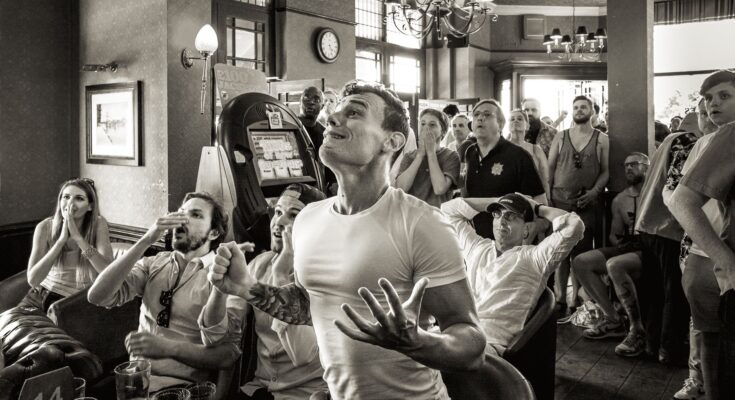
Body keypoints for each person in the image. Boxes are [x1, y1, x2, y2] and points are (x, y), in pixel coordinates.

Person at [207, 80, 486, 400]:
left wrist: (417, 342)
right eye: (335, 111)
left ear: (392, 140)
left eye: (354, 112)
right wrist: (248, 288)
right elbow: (310, 302)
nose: (332, 118)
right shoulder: (308, 219)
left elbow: (472, 345)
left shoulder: (421, 224)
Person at [87, 192, 242, 391]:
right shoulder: (154, 263)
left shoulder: (224, 277)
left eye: (195, 215)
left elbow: (228, 355)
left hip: (181, 388)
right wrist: (146, 240)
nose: (182, 220)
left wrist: (169, 348)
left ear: (213, 233)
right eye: (180, 213)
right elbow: (97, 296)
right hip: (135, 379)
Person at [201, 184, 328, 400]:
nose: (278, 221)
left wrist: (281, 276)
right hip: (259, 389)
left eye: (293, 215)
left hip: (305, 394)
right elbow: (215, 338)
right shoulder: (259, 265)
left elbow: (303, 354)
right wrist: (219, 288)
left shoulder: (323, 276)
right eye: (277, 212)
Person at [440, 193, 583, 356]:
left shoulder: (534, 257)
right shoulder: (478, 248)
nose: (502, 221)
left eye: (511, 216)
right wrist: (498, 200)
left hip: (489, 345)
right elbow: (447, 210)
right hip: (458, 333)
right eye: (497, 214)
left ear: (526, 230)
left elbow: (574, 225)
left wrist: (537, 208)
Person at [670, 69, 735, 400]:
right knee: (709, 333)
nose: (713, 104)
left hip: (715, 249)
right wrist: (722, 257)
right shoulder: (715, 140)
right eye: (709, 98)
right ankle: (703, 385)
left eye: (724, 96)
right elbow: (678, 198)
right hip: (708, 250)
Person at [662, 100, 719, 400]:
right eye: (702, 112)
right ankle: (697, 379)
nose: (707, 116)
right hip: (697, 244)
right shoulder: (692, 149)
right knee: (700, 317)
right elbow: (671, 193)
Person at [572, 153, 650, 357]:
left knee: (615, 265)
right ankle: (613, 319)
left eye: (634, 164)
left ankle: (637, 329)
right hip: (629, 247)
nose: (629, 168)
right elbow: (614, 236)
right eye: (626, 165)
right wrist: (623, 245)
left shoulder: (656, 195)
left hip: (651, 249)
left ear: (647, 167)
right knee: (581, 262)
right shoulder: (620, 200)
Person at [548, 95, 610, 319]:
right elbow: (550, 167)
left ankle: (576, 299)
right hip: (560, 200)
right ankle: (559, 298)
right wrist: (548, 197)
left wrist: (594, 193)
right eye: (576, 107)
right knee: (560, 251)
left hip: (586, 201)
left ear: (592, 111)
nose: (579, 110)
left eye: (583, 107)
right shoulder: (561, 136)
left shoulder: (601, 139)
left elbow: (606, 171)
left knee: (580, 253)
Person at [20, 178, 112, 312]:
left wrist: (79, 238)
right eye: (66, 197)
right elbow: (33, 280)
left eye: (79, 198)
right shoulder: (45, 227)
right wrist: (60, 242)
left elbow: (108, 271)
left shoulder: (99, 224)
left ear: (90, 206)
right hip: (39, 295)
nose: (70, 203)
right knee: (11, 324)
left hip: (70, 302)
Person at [462, 99, 547, 239]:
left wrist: (533, 230)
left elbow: (540, 202)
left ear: (501, 124)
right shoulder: (470, 152)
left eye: (487, 114)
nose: (480, 118)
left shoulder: (518, 156)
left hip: (510, 240)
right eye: (476, 114)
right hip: (476, 239)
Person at [394, 108, 460, 207]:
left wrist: (431, 153)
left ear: (442, 131)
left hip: (438, 213)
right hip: (411, 212)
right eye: (423, 124)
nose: (426, 128)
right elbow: (400, 188)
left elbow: (439, 188)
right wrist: (419, 155)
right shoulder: (409, 156)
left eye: (432, 125)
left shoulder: (451, 156)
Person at [506, 109, 551, 203]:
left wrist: (547, 199)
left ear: (527, 125)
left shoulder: (536, 150)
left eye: (519, 119)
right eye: (512, 119)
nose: (515, 121)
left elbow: (545, 178)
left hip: (532, 199)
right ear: (508, 125)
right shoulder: (501, 148)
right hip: (507, 199)